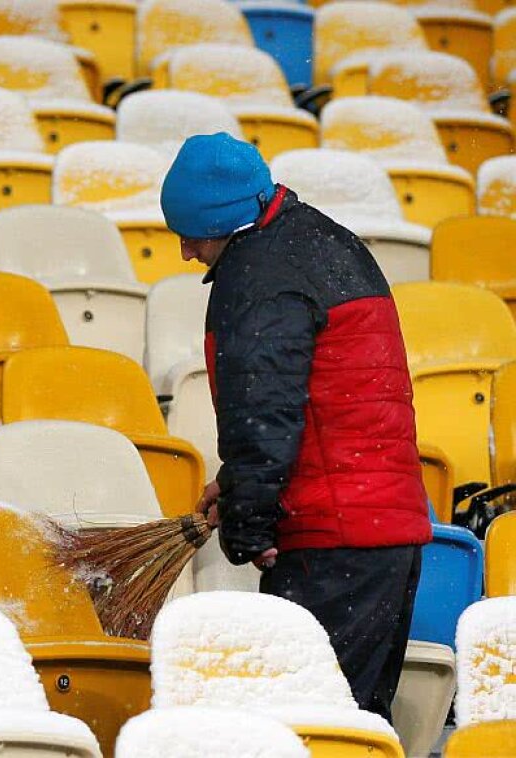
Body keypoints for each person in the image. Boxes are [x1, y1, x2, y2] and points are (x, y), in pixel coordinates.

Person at [159, 133, 431, 722]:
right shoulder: (328, 242)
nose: (185, 252)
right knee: (355, 728)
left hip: (333, 546)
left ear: (222, 224)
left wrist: (249, 525)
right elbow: (331, 405)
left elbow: (264, 410)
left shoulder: (256, 276)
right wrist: (240, 490)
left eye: (190, 235)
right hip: (390, 532)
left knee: (297, 728)